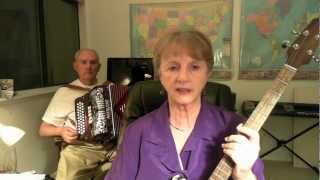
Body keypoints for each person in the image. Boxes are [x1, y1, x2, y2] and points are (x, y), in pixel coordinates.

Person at [105, 30, 264, 180]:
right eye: (173, 67)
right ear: (159, 74)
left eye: (194, 67)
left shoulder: (237, 129)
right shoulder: (136, 132)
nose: (183, 77)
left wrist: (244, 173)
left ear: (207, 73)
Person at [39, 48, 115, 180]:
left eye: (93, 62)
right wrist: (62, 131)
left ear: (99, 66)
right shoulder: (65, 92)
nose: (88, 67)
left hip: (111, 146)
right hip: (80, 148)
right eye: (83, 62)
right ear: (75, 66)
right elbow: (43, 130)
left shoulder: (110, 88)